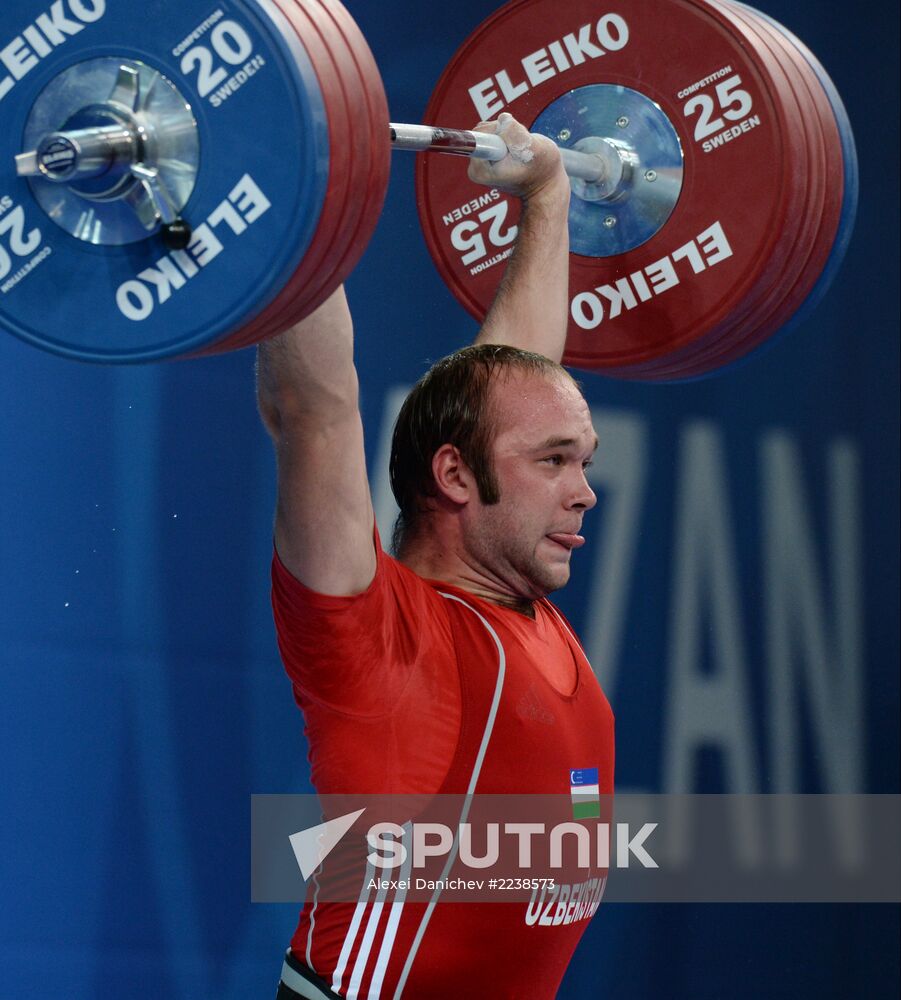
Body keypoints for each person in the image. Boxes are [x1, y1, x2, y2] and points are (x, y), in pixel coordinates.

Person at [257, 114, 615, 1000]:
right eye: (555, 463)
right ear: (453, 476)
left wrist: (547, 196)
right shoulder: (379, 641)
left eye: (583, 461)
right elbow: (314, 409)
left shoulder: (519, 609)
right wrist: (293, 175)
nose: (584, 492)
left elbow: (512, 388)